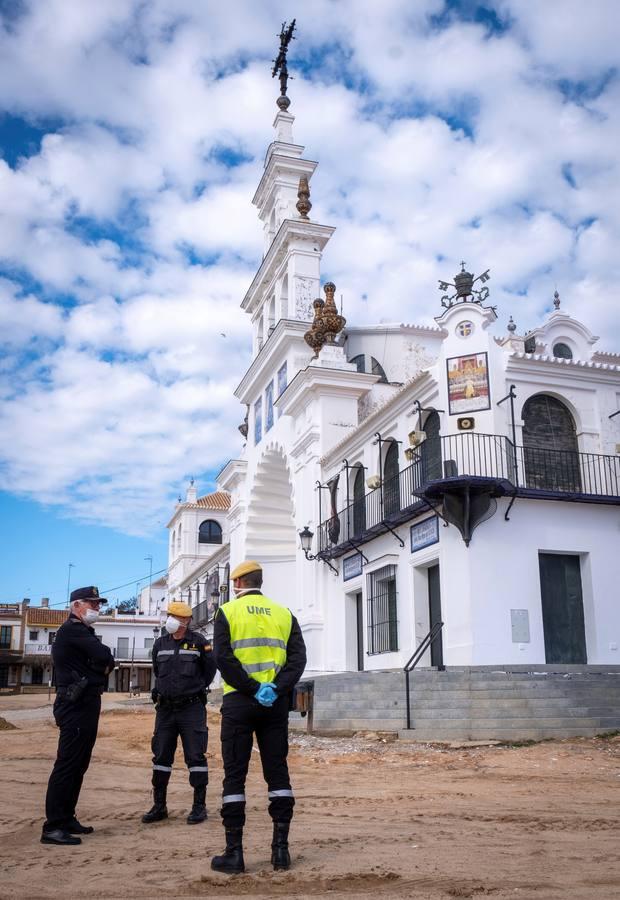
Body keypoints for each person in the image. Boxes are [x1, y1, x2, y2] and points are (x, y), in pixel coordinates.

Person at [211, 560, 306, 875]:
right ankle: (281, 852)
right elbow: (298, 659)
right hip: (274, 704)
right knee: (277, 773)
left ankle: (234, 854)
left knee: (235, 775)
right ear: (259, 582)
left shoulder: (227, 613)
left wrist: (251, 688)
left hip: (239, 701)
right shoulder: (284, 614)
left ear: (238, 583)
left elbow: (223, 659)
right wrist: (275, 688)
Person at [41, 586, 114, 846]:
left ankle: (66, 817)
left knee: (79, 764)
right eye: (92, 604)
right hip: (75, 704)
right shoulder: (74, 630)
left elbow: (106, 661)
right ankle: (53, 826)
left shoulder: (83, 632)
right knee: (67, 765)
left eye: (98, 604)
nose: (97, 609)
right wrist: (97, 666)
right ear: (76, 606)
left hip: (85, 702)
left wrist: (97, 666)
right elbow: (105, 656)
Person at [142, 600, 216, 825]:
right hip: (165, 710)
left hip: (191, 708)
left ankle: (199, 807)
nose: (169, 619)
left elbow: (209, 670)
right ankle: (159, 805)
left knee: (195, 757)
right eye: (169, 615)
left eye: (175, 616)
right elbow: (157, 669)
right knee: (161, 757)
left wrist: (194, 688)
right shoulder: (160, 643)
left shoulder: (199, 643)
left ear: (185, 621)